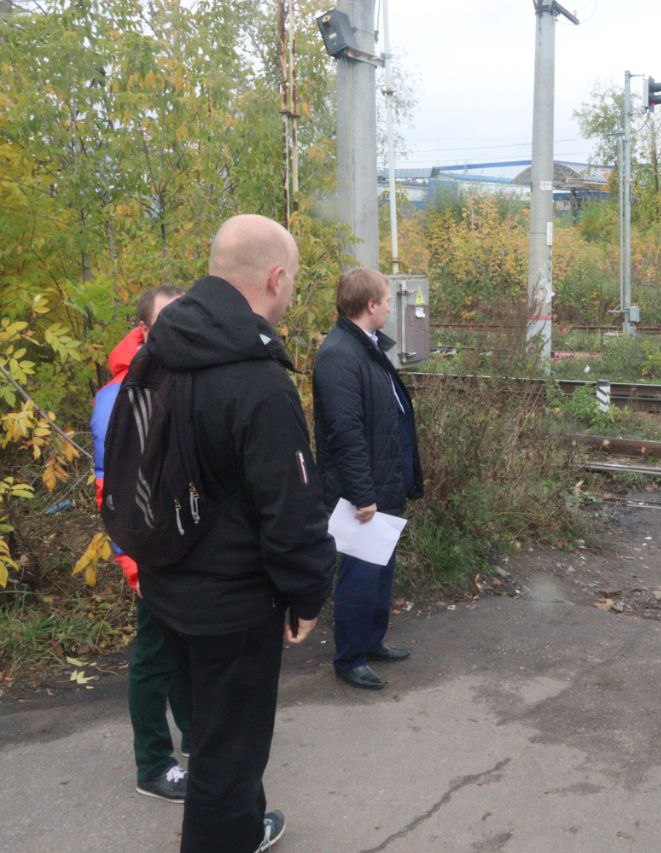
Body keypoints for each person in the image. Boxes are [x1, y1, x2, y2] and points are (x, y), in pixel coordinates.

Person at [140, 214, 336, 852]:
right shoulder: (256, 379)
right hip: (234, 605)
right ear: (275, 278)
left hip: (167, 585)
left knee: (217, 740)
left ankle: (246, 829)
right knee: (229, 755)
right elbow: (292, 508)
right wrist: (306, 595)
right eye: (293, 282)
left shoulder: (157, 355)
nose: (290, 294)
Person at [91, 285, 190, 802]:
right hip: (150, 553)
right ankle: (152, 764)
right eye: (169, 321)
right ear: (146, 331)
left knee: (184, 644)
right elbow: (115, 491)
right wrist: (133, 564)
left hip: (186, 545)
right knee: (154, 655)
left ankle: (195, 734)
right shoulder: (117, 398)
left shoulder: (180, 375)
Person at [313, 267, 423, 690]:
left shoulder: (367, 347)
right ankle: (350, 657)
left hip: (384, 483)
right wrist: (362, 494)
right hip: (363, 492)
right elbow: (346, 432)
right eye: (386, 300)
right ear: (372, 305)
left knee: (380, 570)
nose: (390, 307)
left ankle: (372, 641)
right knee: (359, 575)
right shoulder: (341, 354)